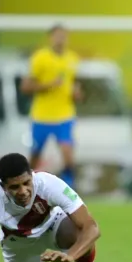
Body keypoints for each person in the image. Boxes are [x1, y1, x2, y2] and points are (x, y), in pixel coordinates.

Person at [21, 24, 82, 188]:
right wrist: (48, 85)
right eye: (57, 35)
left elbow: (74, 83)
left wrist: (77, 93)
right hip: (41, 116)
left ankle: (70, 188)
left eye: (64, 36)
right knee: (35, 155)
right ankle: (26, 185)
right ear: (50, 37)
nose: (61, 39)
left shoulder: (72, 58)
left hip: (64, 115)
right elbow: (25, 87)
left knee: (67, 152)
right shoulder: (40, 58)